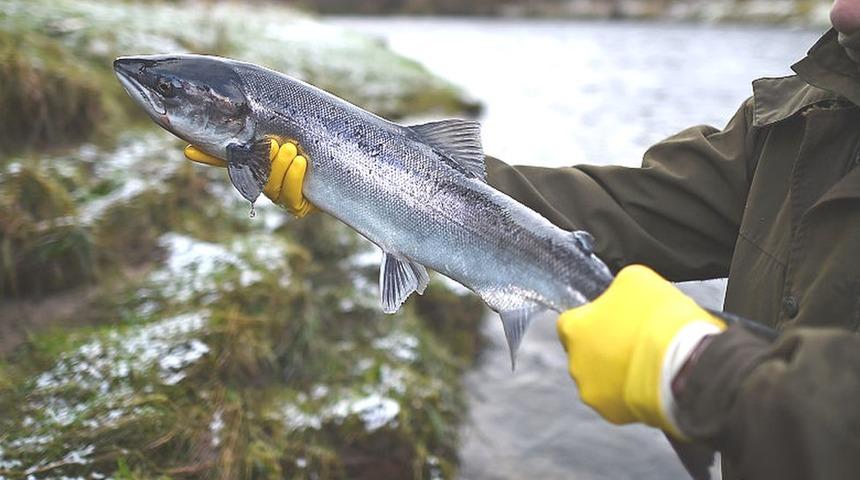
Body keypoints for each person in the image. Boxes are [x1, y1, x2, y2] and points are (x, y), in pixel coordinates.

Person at [183, 1, 860, 477]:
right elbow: (625, 209)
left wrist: (700, 368)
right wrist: (380, 181)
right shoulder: (808, 116)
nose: (840, 10)